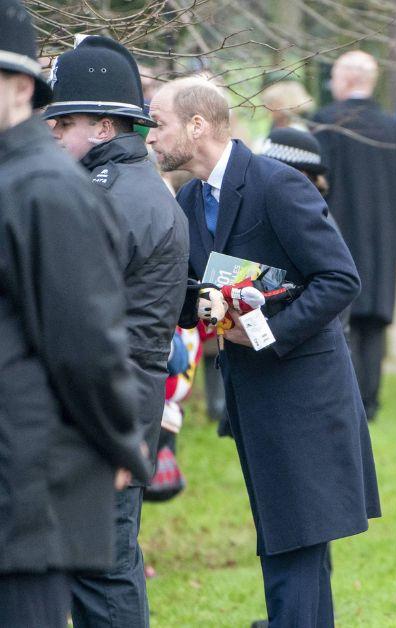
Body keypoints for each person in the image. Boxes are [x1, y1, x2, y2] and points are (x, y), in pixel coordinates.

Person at [147, 76, 380, 625]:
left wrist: (266, 332)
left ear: (197, 125)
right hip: (252, 396)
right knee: (287, 545)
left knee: (292, 549)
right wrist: (196, 304)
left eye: (158, 123)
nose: (150, 137)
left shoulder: (277, 184)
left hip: (305, 394)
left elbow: (340, 278)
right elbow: (194, 294)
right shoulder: (188, 195)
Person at [0, 2, 153, 623]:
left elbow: (86, 343)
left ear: (16, 86)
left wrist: (120, 445)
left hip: (24, 493)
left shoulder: (46, 189)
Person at [42, 35, 189, 628]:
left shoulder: (110, 199)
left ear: (103, 127)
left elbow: (71, 312)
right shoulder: (132, 189)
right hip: (123, 394)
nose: (53, 134)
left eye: (64, 122)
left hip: (109, 398)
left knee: (103, 569)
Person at [312, 50, 396, 421]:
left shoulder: (325, 124)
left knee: (344, 319)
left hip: (336, 238)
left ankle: (350, 398)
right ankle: (369, 401)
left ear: (347, 80)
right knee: (374, 321)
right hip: (384, 242)